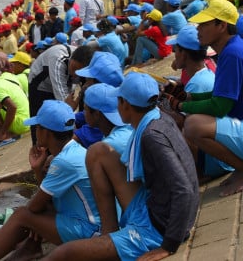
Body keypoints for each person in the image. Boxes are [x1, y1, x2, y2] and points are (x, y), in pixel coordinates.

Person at [47, 72, 199, 261]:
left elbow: (184, 189)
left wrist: (168, 245)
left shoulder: (151, 137)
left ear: (125, 105)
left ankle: (118, 241)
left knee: (64, 253)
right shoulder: (158, 118)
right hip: (157, 209)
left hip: (160, 228)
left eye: (118, 101)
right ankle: (109, 233)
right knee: (98, 152)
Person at [0, 101, 100, 261]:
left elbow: (34, 206)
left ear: (47, 133)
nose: (35, 131)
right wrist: (37, 169)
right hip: (87, 223)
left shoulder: (64, 161)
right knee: (37, 210)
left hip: (89, 231)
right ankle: (19, 250)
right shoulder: (73, 151)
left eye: (37, 127)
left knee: (22, 215)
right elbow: (45, 199)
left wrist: (30, 212)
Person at [176, 0, 243, 196]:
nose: (198, 29)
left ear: (221, 25)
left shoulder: (232, 53)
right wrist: (189, 98)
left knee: (193, 125)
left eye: (204, 24)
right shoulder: (231, 48)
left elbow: (220, 106)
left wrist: (182, 105)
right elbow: (220, 94)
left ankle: (241, 169)